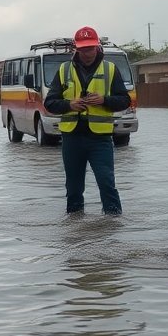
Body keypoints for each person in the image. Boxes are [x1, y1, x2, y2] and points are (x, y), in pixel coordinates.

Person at [43, 26, 131, 215]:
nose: (86, 53)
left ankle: (113, 227)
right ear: (76, 48)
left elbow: (125, 101)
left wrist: (104, 100)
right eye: (83, 49)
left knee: (107, 184)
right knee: (73, 188)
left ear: (97, 47)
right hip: (72, 138)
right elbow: (49, 103)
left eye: (90, 48)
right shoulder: (64, 69)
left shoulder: (110, 69)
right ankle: (75, 230)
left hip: (100, 139)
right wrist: (69, 105)